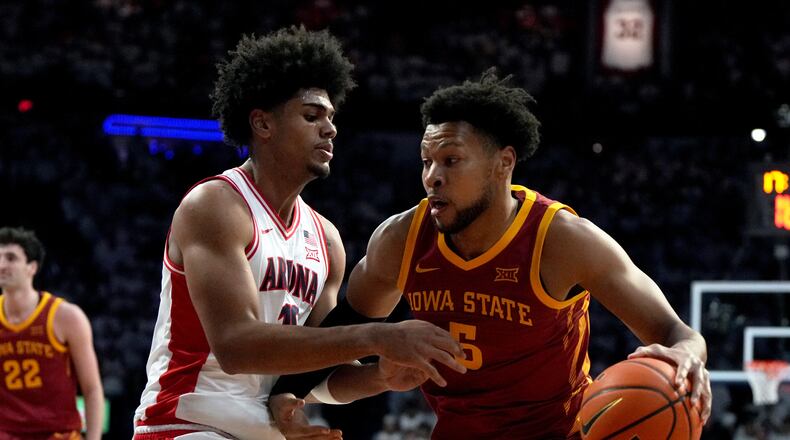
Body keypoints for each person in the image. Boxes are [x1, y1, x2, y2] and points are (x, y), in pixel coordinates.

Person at [271, 69, 712, 439]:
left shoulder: (562, 240)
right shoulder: (403, 239)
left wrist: (690, 354)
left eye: (451, 160)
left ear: (503, 163)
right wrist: (284, 396)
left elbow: (674, 332)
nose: (432, 177)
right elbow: (342, 331)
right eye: (426, 161)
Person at [133, 26, 465, 440]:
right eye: (312, 116)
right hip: (186, 422)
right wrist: (378, 335)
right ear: (262, 124)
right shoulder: (217, 205)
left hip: (265, 429)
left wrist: (384, 374)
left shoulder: (325, 239)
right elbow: (236, 347)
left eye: (331, 118)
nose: (330, 130)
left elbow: (317, 374)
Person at [0, 227, 104, 440]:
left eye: (11, 258)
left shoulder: (66, 316)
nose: (2, 265)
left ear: (32, 267)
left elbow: (92, 389)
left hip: (59, 433)